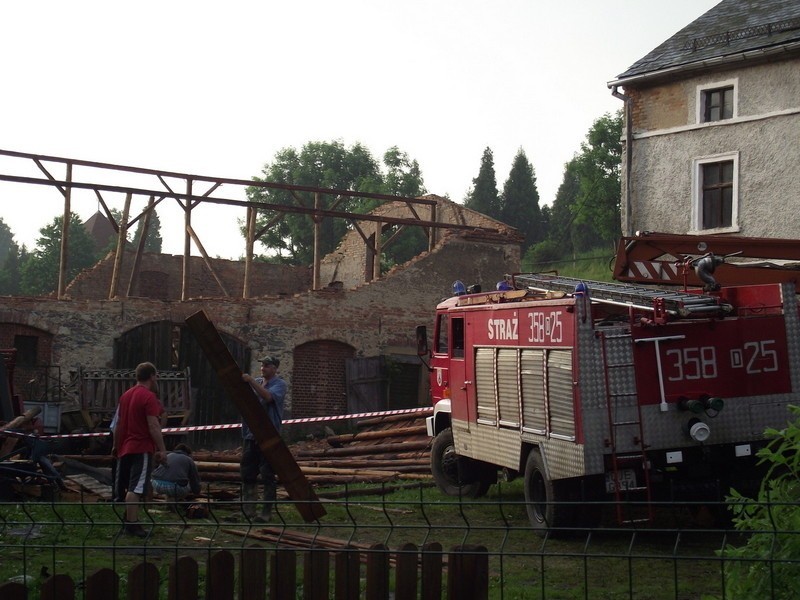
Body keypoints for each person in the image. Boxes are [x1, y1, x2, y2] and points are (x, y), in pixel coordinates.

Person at [112, 362, 167, 537]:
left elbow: (118, 424)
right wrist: (162, 449)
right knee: (136, 488)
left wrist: (115, 445)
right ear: (152, 376)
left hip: (124, 446)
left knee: (127, 487)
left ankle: (128, 521)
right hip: (141, 446)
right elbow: (153, 425)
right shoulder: (149, 397)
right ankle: (132, 525)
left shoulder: (126, 395)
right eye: (155, 376)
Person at [240, 355, 286, 522]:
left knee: (267, 474)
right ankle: (248, 510)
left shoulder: (279, 384)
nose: (263, 368)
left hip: (269, 437)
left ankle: (266, 513)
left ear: (275, 368)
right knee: (247, 473)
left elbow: (267, 397)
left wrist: (251, 381)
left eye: (267, 365)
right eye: (262, 365)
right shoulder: (258, 381)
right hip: (251, 435)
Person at [151, 443, 201, 510]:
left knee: (172, 482)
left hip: (156, 483)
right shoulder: (189, 460)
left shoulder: (168, 455)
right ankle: (176, 501)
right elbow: (194, 479)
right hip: (174, 487)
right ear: (188, 453)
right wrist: (196, 492)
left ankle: (170, 502)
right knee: (186, 485)